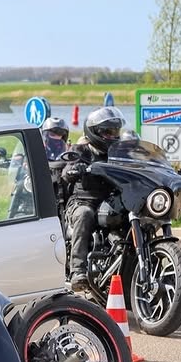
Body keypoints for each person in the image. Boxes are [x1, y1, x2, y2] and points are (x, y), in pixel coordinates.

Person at [61, 106, 125, 293]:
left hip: (110, 202)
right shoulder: (80, 149)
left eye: (115, 131)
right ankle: (77, 270)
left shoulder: (118, 152)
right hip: (83, 201)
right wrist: (75, 169)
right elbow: (67, 169)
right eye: (108, 132)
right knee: (85, 215)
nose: (113, 135)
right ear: (95, 132)